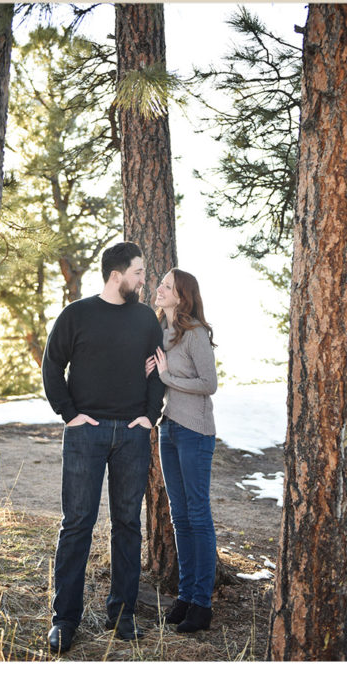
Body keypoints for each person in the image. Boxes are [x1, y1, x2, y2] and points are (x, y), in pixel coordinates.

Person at [41, 242, 164, 654]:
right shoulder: (76, 314)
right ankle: (64, 620)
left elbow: (157, 369)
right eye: (139, 272)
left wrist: (150, 415)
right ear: (117, 275)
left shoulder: (147, 319)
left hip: (132, 434)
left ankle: (123, 613)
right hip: (85, 434)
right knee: (77, 524)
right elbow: (51, 363)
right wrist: (69, 414)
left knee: (128, 524)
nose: (143, 279)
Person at [147, 268, 218, 633]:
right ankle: (186, 595)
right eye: (160, 283)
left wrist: (166, 377)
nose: (159, 288)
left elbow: (209, 384)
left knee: (198, 515)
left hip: (195, 432)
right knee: (179, 517)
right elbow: (160, 375)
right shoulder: (162, 331)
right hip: (169, 429)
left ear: (182, 296)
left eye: (167, 286)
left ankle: (202, 603)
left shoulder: (195, 335)